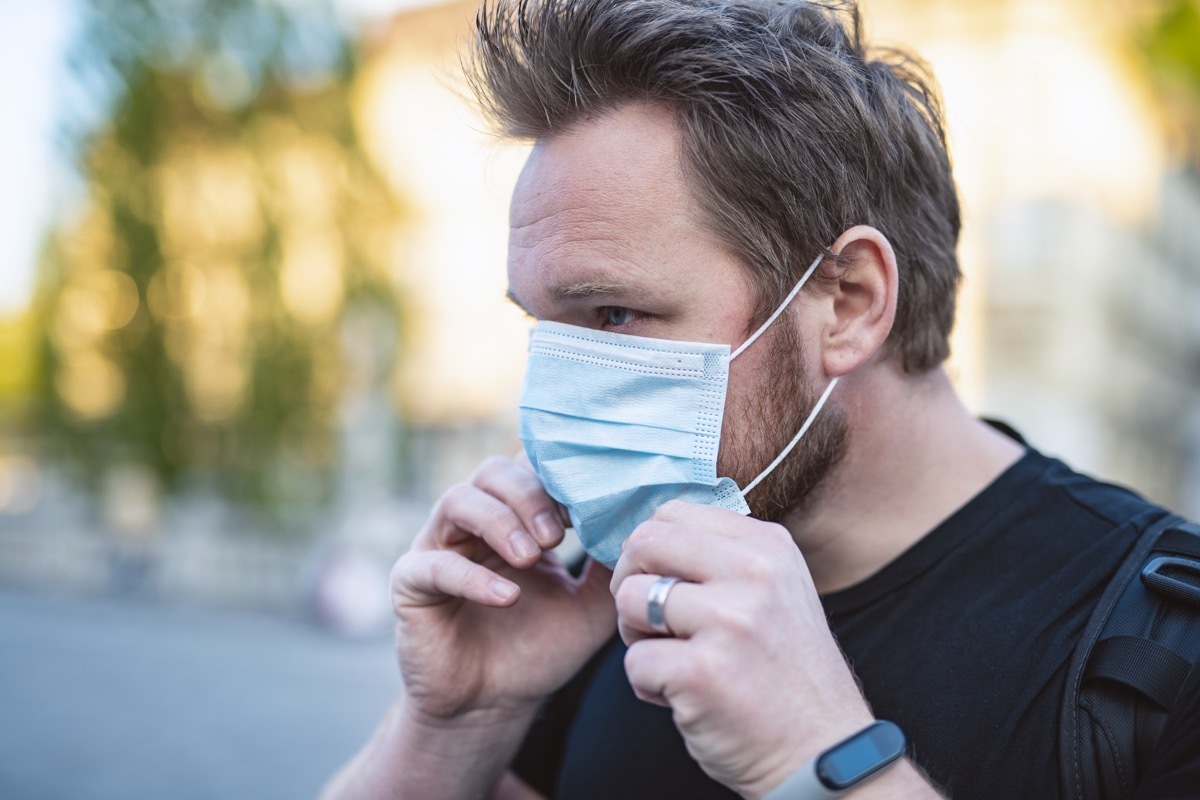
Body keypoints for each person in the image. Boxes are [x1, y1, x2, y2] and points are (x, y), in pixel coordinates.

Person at [322, 1, 1200, 798]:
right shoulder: (594, 610)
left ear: (850, 302)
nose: (553, 390)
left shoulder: (1160, 654)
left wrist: (823, 763)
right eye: (544, 329)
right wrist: (455, 726)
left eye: (614, 314)